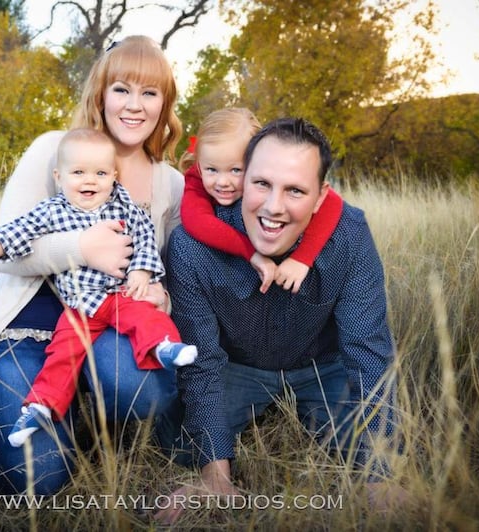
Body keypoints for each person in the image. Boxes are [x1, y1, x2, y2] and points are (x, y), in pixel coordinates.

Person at [156, 117, 400, 524]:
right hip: (237, 368)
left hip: (321, 368)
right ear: (245, 176)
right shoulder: (192, 246)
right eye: (262, 184)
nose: (273, 207)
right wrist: (215, 476)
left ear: (321, 197)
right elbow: (201, 361)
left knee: (374, 444)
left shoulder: (350, 233)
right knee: (179, 441)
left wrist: (379, 474)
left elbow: (367, 348)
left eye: (295, 191)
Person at [0, 35, 185, 495]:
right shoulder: (54, 149)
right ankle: (40, 401)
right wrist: (82, 248)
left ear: (164, 103)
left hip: (107, 321)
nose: (134, 105)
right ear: (101, 94)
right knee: (34, 482)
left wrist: (160, 294)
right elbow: (4, 258)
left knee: (146, 390)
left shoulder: (170, 183)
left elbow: (166, 269)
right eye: (121, 89)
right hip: (28, 328)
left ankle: (80, 396)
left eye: (149, 93)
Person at [0, 128, 196, 447]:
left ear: (113, 176)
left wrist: (142, 270)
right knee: (63, 353)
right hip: (81, 307)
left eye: (100, 174)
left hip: (119, 296)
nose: (90, 181)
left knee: (145, 316)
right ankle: (40, 406)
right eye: (78, 173)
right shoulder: (53, 210)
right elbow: (21, 229)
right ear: (59, 177)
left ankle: (164, 347)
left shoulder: (123, 206)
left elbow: (144, 236)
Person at [177, 108, 344, 294]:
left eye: (236, 170)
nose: (222, 182)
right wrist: (250, 252)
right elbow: (196, 220)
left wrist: (302, 257)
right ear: (199, 165)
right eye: (211, 170)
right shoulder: (196, 178)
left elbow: (331, 202)